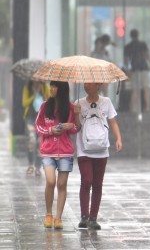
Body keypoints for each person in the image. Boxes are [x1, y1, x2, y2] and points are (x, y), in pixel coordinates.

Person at [74, 82, 123, 230]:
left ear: (98, 85)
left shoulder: (106, 101)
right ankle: (84, 216)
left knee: (97, 184)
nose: (86, 85)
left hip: (102, 149)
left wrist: (118, 138)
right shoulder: (78, 103)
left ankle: (93, 218)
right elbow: (77, 127)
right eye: (85, 82)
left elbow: (113, 122)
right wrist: (76, 113)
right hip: (84, 149)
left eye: (90, 83)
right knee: (86, 180)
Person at [35, 81, 80, 230]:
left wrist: (72, 124)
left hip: (66, 151)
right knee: (50, 181)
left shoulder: (71, 107)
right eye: (51, 85)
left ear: (61, 89)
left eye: (54, 86)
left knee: (62, 184)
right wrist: (50, 131)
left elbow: (76, 129)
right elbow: (38, 126)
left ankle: (58, 218)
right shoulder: (44, 106)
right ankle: (48, 214)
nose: (51, 88)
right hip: (48, 151)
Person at [22, 80, 50, 176]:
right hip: (30, 118)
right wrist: (33, 95)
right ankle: (30, 165)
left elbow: (49, 101)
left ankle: (38, 167)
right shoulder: (28, 87)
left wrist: (42, 93)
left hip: (41, 119)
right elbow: (24, 103)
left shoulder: (45, 86)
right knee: (31, 140)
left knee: (39, 142)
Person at [123, 29, 150, 112]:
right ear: (138, 35)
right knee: (146, 88)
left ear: (130, 36)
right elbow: (147, 55)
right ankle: (147, 107)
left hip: (134, 69)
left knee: (135, 90)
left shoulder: (128, 46)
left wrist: (128, 70)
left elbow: (126, 60)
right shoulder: (143, 44)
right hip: (144, 67)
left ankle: (133, 108)